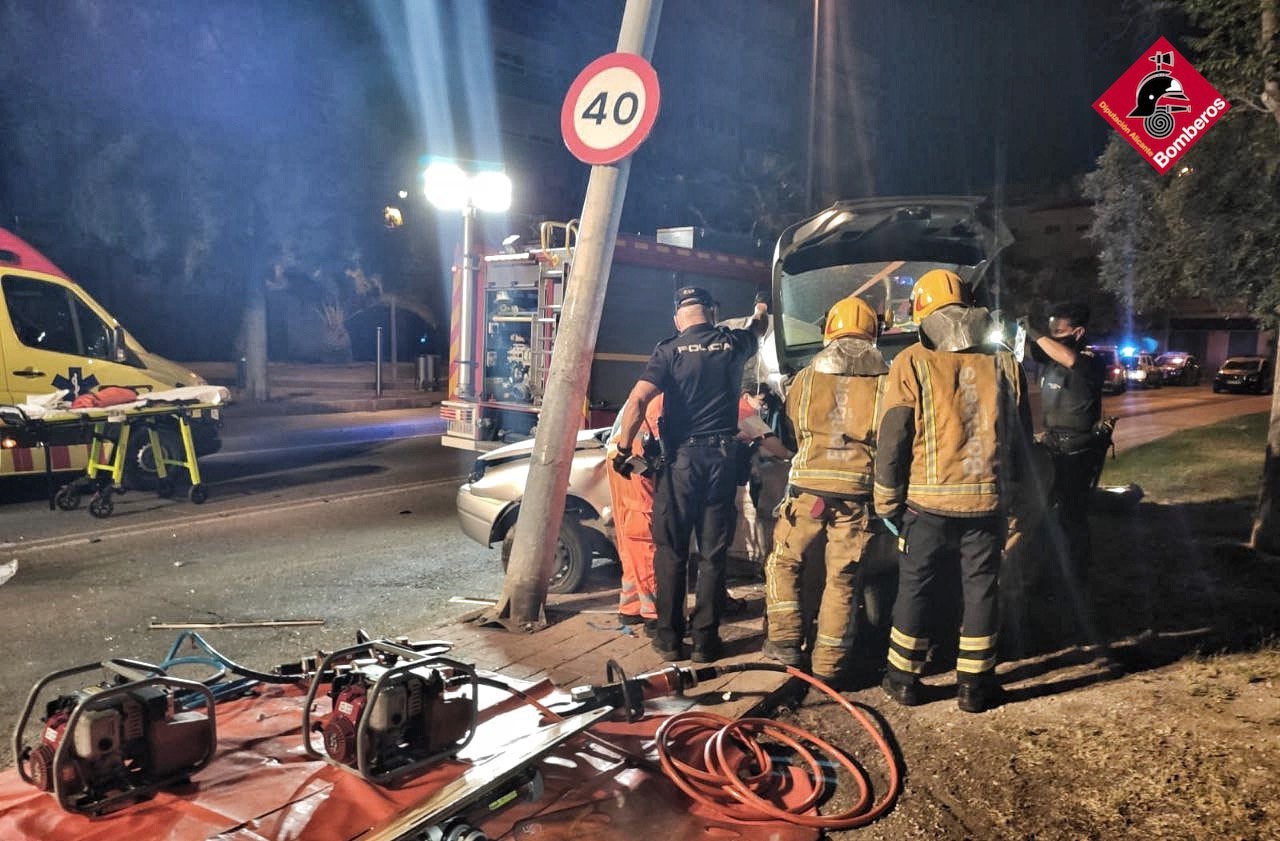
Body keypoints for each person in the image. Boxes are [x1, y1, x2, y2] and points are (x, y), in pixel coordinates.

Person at [875, 269, 1032, 713]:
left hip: (927, 506)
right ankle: (974, 688)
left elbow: (893, 439)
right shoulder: (1005, 363)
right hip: (987, 503)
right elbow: (1021, 440)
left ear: (922, 314)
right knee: (982, 588)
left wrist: (886, 500)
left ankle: (903, 680)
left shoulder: (911, 361)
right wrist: (1016, 497)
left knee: (915, 588)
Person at [615, 287, 768, 663]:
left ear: (678, 320)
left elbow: (637, 401)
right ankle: (705, 642)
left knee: (671, 553)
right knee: (713, 556)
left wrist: (623, 447)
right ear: (712, 314)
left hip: (680, 463)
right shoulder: (734, 343)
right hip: (721, 460)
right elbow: (759, 327)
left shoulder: (668, 351)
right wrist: (760, 306)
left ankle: (669, 639)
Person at [761, 295, 888, 684]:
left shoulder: (806, 377)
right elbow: (890, 436)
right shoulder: (885, 380)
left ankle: (784, 642)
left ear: (829, 331)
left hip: (808, 491)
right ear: (873, 332)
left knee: (784, 561)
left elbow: (796, 430)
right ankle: (829, 666)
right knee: (843, 578)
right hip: (856, 495)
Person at [1022, 301, 1109, 641]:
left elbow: (1066, 357)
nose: (1053, 332)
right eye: (1052, 326)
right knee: (1042, 512)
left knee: (1072, 515)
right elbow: (1033, 352)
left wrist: (1033, 330)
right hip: (1053, 444)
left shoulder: (1090, 360)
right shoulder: (1050, 356)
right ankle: (1046, 571)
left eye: (1059, 328)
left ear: (1078, 332)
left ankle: (1077, 576)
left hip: (1079, 449)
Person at [606, 394, 665, 631]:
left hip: (622, 459)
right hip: (638, 462)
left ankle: (630, 608)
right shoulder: (664, 397)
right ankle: (653, 613)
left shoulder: (648, 390)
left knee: (629, 539)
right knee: (645, 539)